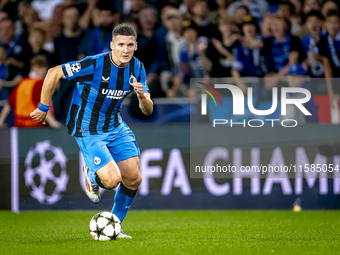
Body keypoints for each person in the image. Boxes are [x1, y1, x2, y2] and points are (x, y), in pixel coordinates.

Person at [30, 24, 153, 238]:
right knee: (112, 180)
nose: (125, 49)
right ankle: (91, 175)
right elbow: (53, 72)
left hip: (115, 125)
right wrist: (43, 106)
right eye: (121, 44)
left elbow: (147, 109)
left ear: (135, 46)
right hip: (87, 128)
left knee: (134, 178)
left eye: (130, 45)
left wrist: (142, 96)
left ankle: (115, 226)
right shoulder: (95, 64)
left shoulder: (138, 68)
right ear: (112, 45)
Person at [0, 55, 60, 128]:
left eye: (44, 67)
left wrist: (1, 121)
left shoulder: (22, 83)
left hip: (21, 126)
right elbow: (41, 105)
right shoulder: (39, 83)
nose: (43, 71)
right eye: (39, 67)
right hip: (37, 127)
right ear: (32, 68)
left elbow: (8, 104)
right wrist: (53, 123)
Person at [318, 10, 340, 123]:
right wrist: (330, 92)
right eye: (330, 22)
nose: (333, 25)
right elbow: (327, 66)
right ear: (325, 24)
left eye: (336, 22)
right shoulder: (323, 41)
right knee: (335, 116)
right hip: (335, 82)